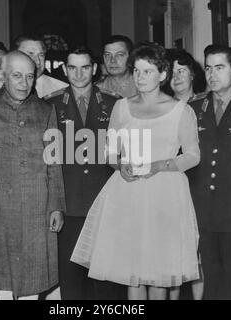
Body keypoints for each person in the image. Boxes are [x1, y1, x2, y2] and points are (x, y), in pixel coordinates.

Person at [70, 42, 201, 300]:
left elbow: (193, 156)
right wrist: (121, 165)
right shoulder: (122, 107)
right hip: (129, 193)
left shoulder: (180, 111)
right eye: (137, 71)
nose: (140, 78)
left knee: (159, 271)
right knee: (133, 269)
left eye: (148, 72)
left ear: (162, 75)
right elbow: (109, 152)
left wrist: (158, 166)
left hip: (165, 194)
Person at [0, 51, 65, 300]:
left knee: (34, 277)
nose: (24, 83)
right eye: (16, 76)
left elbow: (54, 162)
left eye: (29, 77)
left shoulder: (45, 110)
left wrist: (56, 207)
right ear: (2, 75)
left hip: (37, 207)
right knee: (1, 278)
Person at [45, 46, 125, 300]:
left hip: (106, 203)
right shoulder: (51, 105)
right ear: (65, 70)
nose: (78, 74)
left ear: (94, 69)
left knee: (107, 282)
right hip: (69, 204)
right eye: (72, 67)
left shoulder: (115, 104)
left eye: (84, 67)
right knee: (72, 281)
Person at [187, 44, 231, 300]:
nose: (212, 74)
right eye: (208, 68)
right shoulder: (194, 108)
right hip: (203, 210)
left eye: (219, 67)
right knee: (210, 281)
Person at [166, 49, 206, 300]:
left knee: (198, 255)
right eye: (171, 72)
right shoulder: (163, 107)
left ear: (193, 73)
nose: (176, 77)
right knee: (171, 253)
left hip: (200, 185)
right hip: (171, 186)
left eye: (182, 70)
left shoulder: (205, 103)